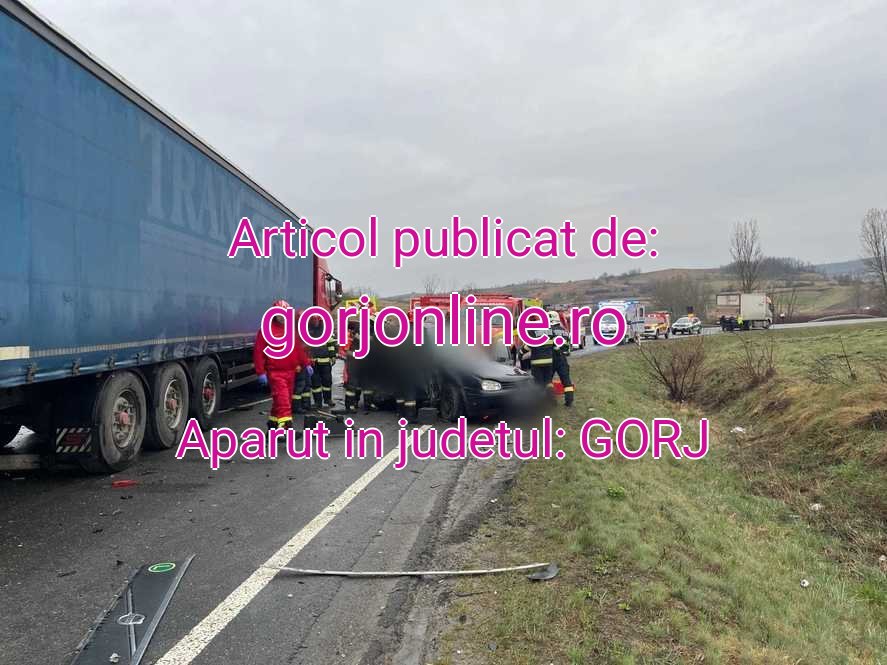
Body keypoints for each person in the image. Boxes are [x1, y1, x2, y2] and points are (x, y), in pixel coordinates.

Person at [254, 300, 311, 429]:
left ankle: (273, 426)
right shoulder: (266, 330)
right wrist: (260, 372)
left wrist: (306, 363)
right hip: (276, 373)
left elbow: (298, 349)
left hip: (290, 372)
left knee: (280, 401)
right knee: (284, 402)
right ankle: (285, 430)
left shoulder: (289, 329)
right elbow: (258, 353)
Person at [307, 314, 338, 407]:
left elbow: (331, 344)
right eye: (314, 320)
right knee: (315, 383)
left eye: (317, 320)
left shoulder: (325, 330)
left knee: (327, 381)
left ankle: (328, 399)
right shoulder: (307, 331)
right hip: (313, 361)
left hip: (325, 361)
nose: (316, 322)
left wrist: (333, 356)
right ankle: (318, 402)